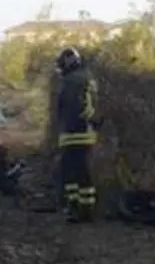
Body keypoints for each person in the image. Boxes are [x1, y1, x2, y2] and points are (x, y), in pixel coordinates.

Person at [51, 47, 99, 223]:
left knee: (72, 173)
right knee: (81, 172)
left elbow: (66, 110)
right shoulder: (87, 78)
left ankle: (77, 209)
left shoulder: (71, 81)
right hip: (86, 132)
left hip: (73, 134)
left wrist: (64, 127)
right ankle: (84, 208)